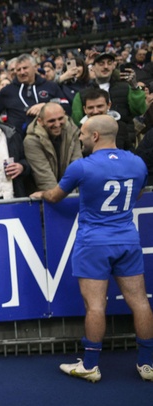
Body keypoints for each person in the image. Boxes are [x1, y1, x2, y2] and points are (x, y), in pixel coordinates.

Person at [31, 115, 153, 382]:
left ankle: (90, 366)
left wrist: (42, 193)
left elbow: (55, 196)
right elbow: (137, 194)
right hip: (127, 239)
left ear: (95, 136)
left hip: (93, 243)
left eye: (83, 134)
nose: (80, 138)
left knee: (96, 306)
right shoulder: (137, 163)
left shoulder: (82, 167)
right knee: (141, 302)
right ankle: (148, 364)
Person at [0, 53, 70, 135]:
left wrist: (46, 106)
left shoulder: (50, 86)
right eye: (18, 70)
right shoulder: (7, 91)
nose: (22, 72)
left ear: (35, 67)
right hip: (19, 139)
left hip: (51, 136)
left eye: (25, 68)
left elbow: (66, 106)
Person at [23, 102, 82, 190]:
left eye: (60, 118)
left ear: (65, 114)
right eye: (51, 121)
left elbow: (76, 167)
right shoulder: (32, 141)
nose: (57, 124)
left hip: (69, 190)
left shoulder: (72, 130)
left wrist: (75, 195)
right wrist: (60, 197)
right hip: (46, 193)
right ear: (40, 121)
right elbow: (45, 179)